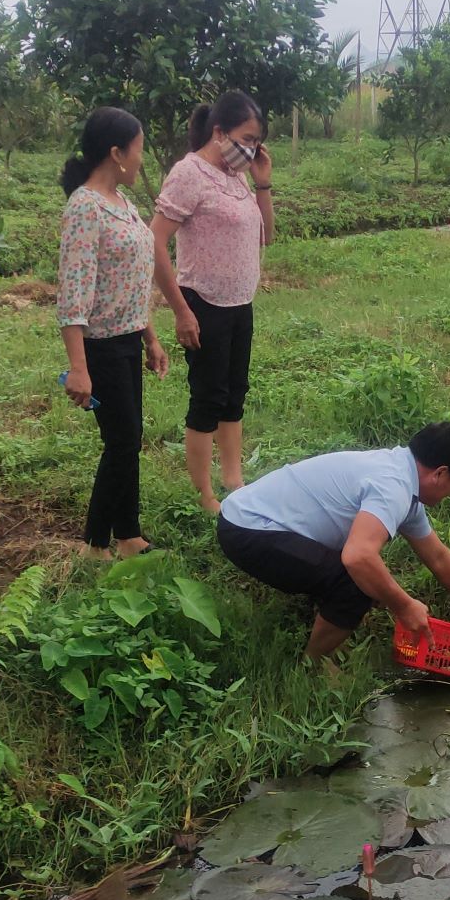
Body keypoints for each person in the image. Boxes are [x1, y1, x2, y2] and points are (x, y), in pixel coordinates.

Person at [216, 421, 450, 661]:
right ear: (440, 473)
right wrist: (404, 606)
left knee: (368, 578)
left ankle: (325, 625)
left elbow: (437, 557)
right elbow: (358, 557)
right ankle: (314, 665)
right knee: (356, 584)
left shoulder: (403, 479)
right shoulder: (393, 486)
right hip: (249, 528)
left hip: (253, 518)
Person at [151, 90, 275, 513]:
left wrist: (262, 182)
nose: (251, 148)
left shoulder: (237, 176)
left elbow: (266, 235)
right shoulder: (190, 174)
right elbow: (155, 241)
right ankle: (204, 495)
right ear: (219, 132)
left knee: (234, 393)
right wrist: (181, 311)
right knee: (207, 397)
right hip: (203, 302)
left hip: (240, 303)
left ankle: (234, 480)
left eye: (257, 141)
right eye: (246, 138)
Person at [57, 107, 171, 558]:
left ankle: (128, 533)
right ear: (116, 153)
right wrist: (78, 368)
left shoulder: (124, 205)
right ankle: (95, 543)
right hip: (100, 346)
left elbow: (132, 280)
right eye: (139, 149)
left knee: (129, 438)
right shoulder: (85, 208)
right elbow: (74, 293)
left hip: (128, 340)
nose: (142, 158)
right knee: (122, 440)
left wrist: (151, 338)